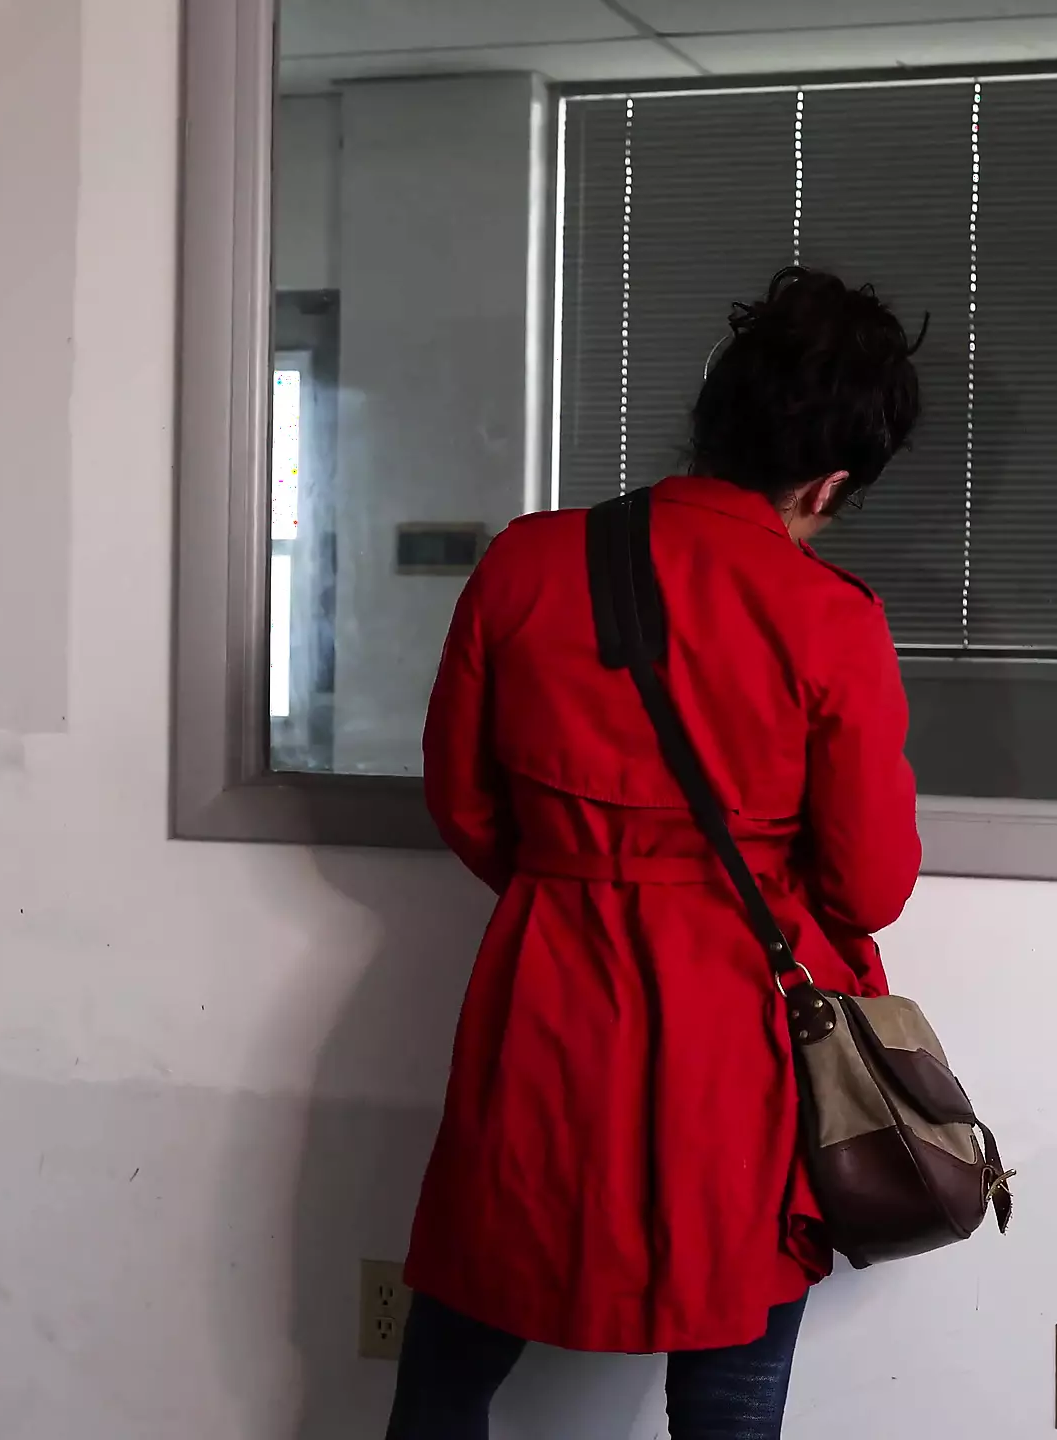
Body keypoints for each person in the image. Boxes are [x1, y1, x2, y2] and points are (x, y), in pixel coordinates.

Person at [390, 267, 925, 1440]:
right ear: (829, 483)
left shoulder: (524, 563)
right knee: (729, 1372)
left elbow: (463, 803)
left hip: (542, 990)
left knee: (460, 1336)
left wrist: (574, 883)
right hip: (737, 1021)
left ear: (713, 418)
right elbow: (869, 886)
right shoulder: (830, 617)